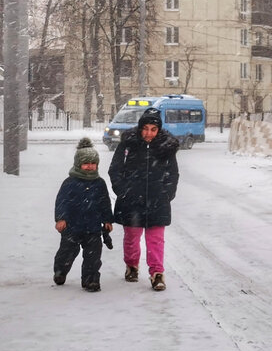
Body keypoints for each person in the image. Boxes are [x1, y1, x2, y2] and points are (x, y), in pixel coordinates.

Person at [109, 107, 180, 292]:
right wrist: (122, 191)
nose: (149, 133)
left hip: (157, 201)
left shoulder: (166, 147)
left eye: (153, 129)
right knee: (132, 238)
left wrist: (167, 193)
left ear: (158, 130)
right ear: (140, 128)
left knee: (155, 240)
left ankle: (157, 274)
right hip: (131, 200)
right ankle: (131, 266)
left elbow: (173, 173)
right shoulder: (129, 144)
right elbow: (115, 169)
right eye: (146, 128)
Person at [53, 137, 114, 292]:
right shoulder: (70, 182)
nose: (89, 166)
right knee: (66, 253)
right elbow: (62, 202)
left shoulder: (99, 183)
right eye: (86, 163)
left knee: (93, 258)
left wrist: (107, 219)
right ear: (78, 164)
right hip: (72, 227)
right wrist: (61, 218)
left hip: (93, 228)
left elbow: (104, 202)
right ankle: (60, 271)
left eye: (93, 163)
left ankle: (91, 280)